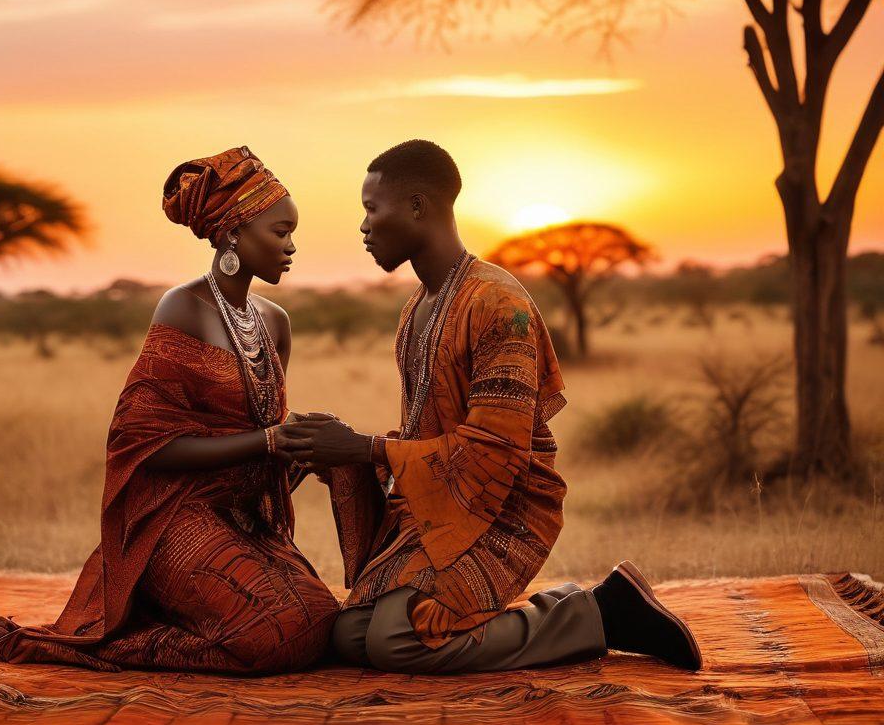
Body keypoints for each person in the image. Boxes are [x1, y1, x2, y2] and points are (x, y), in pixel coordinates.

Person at [0, 146, 341, 675]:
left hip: (239, 518)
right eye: (280, 232)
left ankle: (176, 614)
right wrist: (268, 442)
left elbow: (257, 444)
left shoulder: (275, 321)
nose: (292, 247)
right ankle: (130, 643)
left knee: (320, 619)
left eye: (292, 233)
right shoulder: (184, 309)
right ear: (232, 233)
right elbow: (143, 445)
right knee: (273, 636)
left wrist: (302, 447)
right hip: (172, 519)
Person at [283, 139, 703, 674]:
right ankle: (571, 616)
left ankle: (599, 613)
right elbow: (424, 433)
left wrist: (365, 449)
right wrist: (339, 447)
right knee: (350, 634)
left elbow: (496, 453)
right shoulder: (418, 307)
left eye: (371, 209)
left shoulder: (497, 304)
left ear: (417, 205)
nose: (363, 226)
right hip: (436, 508)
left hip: (503, 509)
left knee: (399, 641)